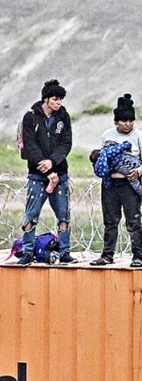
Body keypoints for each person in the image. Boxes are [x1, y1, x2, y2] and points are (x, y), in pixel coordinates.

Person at [16, 79, 75, 266]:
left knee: (63, 215)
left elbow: (66, 143)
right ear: (46, 99)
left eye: (61, 100)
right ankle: (27, 251)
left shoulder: (63, 117)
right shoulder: (30, 117)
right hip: (37, 173)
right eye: (56, 99)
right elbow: (30, 145)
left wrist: (53, 162)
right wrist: (45, 167)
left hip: (60, 172)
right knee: (31, 215)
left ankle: (65, 251)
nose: (59, 103)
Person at [91, 94, 142, 268]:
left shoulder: (139, 136)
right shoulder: (107, 136)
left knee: (133, 221)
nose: (128, 124)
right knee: (110, 221)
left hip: (129, 183)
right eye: (124, 121)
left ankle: (137, 256)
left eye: (131, 121)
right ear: (116, 121)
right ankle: (107, 254)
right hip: (110, 184)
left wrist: (139, 171)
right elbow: (102, 158)